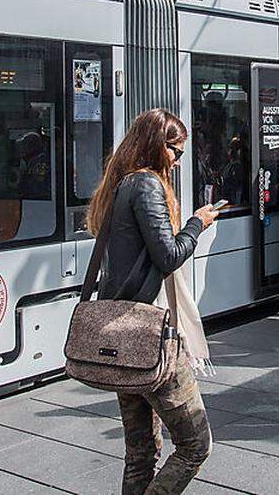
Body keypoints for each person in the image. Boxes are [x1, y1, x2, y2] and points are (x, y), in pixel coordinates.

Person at [87, 108, 220, 494]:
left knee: (141, 451)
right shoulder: (146, 186)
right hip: (149, 335)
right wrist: (197, 223)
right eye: (175, 152)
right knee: (196, 444)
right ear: (154, 146)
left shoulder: (121, 183)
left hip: (122, 332)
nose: (178, 162)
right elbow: (169, 255)